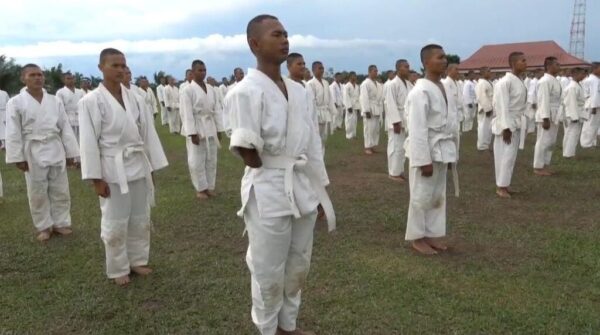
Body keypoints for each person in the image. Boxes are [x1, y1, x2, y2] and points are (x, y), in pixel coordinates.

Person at [224, 14, 334, 335]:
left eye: (286, 34)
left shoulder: (300, 92)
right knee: (268, 268)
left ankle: (288, 324)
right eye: (276, 34)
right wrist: (262, 155)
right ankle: (267, 329)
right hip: (269, 186)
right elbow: (248, 151)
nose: (285, 39)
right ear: (255, 44)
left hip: (301, 183)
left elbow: (313, 144)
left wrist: (320, 192)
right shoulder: (244, 91)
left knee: (298, 261)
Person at [78, 48, 168, 286]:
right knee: (115, 220)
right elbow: (88, 141)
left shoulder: (136, 98)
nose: (120, 70)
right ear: (101, 68)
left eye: (123, 66)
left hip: (137, 162)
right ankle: (117, 267)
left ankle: (137, 259)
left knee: (140, 215)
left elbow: (148, 135)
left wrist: (151, 167)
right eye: (114, 65)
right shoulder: (90, 101)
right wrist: (96, 178)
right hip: (111, 167)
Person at [5, 64, 80, 241]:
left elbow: (65, 127)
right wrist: (18, 157)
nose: (38, 78)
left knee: (60, 188)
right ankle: (44, 226)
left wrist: (71, 152)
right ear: (23, 78)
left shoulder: (54, 100)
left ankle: (61, 222)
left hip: (54, 145)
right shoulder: (15, 102)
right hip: (33, 148)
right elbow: (13, 131)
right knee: (37, 190)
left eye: (40, 75)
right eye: (32, 75)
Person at [405, 44, 458, 255]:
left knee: (437, 194)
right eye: (440, 57)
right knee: (420, 194)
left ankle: (431, 233)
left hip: (442, 147)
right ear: (426, 62)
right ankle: (417, 237)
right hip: (426, 149)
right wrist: (422, 159)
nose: (444, 61)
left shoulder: (443, 87)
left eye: (445, 57)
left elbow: (450, 121)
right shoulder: (420, 91)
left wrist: (452, 151)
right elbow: (417, 128)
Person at [180, 60, 224, 200]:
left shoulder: (211, 89)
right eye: (200, 70)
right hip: (197, 127)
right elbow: (186, 113)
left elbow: (216, 110)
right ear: (192, 73)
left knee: (211, 159)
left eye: (204, 70)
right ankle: (200, 189)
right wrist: (192, 133)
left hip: (210, 126)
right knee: (196, 160)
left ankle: (209, 187)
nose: (203, 72)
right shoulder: (187, 90)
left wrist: (219, 129)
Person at [492, 52, 528, 198]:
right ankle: (500, 187)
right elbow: (501, 106)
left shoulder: (518, 81)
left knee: (511, 156)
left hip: (516, 121)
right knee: (504, 156)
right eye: (522, 61)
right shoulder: (504, 82)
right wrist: (505, 127)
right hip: (506, 124)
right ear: (513, 63)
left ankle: (505, 184)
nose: (526, 63)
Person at [384, 59, 413, 182]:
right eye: (406, 67)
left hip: (406, 118)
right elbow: (389, 104)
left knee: (403, 147)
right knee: (395, 146)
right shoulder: (392, 84)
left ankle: (399, 171)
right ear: (398, 68)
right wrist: (396, 122)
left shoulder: (409, 84)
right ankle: (393, 173)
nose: (408, 69)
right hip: (396, 120)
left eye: (408, 66)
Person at [533, 57, 562, 176]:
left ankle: (545, 164)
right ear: (549, 66)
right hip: (547, 115)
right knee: (543, 141)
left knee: (551, 141)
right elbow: (543, 100)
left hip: (555, 113)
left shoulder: (554, 80)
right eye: (556, 64)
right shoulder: (544, 81)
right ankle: (538, 167)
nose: (559, 66)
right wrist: (545, 118)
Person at [307, 61, 335, 152]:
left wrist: (333, 111)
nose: (322, 70)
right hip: (316, 112)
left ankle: (321, 158)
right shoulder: (310, 84)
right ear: (313, 70)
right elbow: (311, 101)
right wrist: (311, 116)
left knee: (324, 137)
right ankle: (315, 158)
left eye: (322, 68)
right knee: (316, 137)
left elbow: (329, 98)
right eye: (320, 68)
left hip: (325, 112)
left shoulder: (326, 82)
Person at [562, 67, 588, 158]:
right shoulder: (572, 87)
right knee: (571, 134)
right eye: (581, 74)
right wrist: (574, 117)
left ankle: (570, 152)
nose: (583, 76)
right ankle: (568, 154)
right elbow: (571, 102)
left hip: (578, 112)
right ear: (574, 74)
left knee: (575, 134)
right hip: (573, 113)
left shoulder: (577, 84)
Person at [360, 65, 384, 155]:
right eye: (374, 71)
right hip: (369, 108)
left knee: (375, 129)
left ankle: (373, 145)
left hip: (377, 108)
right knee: (368, 128)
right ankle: (367, 147)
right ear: (369, 72)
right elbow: (364, 98)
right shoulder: (365, 83)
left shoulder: (378, 84)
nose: (376, 72)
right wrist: (366, 110)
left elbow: (381, 97)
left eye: (377, 71)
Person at [56, 72, 86, 144]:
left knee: (81, 141)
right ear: (64, 80)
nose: (71, 80)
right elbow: (59, 108)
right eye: (68, 79)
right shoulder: (60, 92)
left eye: (72, 78)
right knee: (70, 142)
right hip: (67, 119)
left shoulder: (80, 92)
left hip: (80, 119)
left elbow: (84, 106)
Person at [580, 62, 600, 148]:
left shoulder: (595, 79)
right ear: (595, 68)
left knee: (594, 125)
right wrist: (594, 106)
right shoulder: (593, 80)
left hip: (594, 104)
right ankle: (586, 144)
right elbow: (594, 94)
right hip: (592, 105)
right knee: (590, 125)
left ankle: (591, 142)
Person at [475, 67, 495, 151]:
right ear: (483, 73)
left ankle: (486, 143)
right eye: (488, 71)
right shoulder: (481, 83)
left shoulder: (489, 82)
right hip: (485, 109)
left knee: (488, 127)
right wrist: (487, 109)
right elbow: (481, 97)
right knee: (483, 127)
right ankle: (482, 145)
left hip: (491, 107)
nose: (490, 73)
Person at [343, 72, 360, 140]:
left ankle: (353, 135)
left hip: (355, 105)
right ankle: (349, 135)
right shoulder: (347, 86)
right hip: (349, 105)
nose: (355, 77)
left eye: (355, 76)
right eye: (353, 76)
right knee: (349, 121)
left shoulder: (357, 86)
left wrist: (359, 107)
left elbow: (358, 96)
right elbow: (346, 96)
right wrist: (348, 106)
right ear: (350, 77)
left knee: (354, 121)